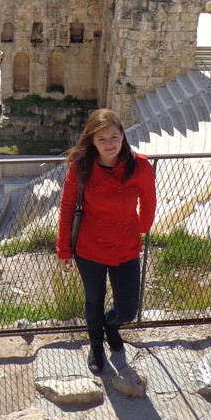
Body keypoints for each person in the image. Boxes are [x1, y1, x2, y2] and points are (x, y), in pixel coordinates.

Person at [56, 108, 156, 374]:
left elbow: (148, 202)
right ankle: (96, 344)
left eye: (114, 136)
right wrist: (63, 249)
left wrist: (141, 228)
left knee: (127, 309)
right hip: (90, 247)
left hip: (126, 246)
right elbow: (67, 208)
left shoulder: (140, 166)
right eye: (102, 139)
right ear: (92, 141)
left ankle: (112, 326)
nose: (110, 144)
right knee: (93, 299)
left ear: (123, 135)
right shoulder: (80, 168)